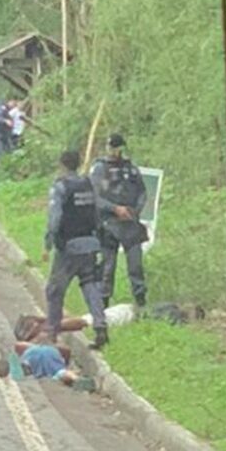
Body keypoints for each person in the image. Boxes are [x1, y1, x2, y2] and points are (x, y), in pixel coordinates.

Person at [43, 151, 108, 350]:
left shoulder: (61, 187)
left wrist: (49, 242)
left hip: (69, 246)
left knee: (55, 290)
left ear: (62, 165)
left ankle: (52, 332)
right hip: (90, 243)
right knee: (90, 285)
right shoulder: (88, 185)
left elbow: (55, 218)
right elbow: (97, 213)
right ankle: (100, 326)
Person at [90, 133, 149, 308]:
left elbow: (142, 192)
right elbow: (95, 197)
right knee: (107, 267)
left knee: (136, 266)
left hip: (130, 222)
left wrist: (135, 210)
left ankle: (140, 302)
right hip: (108, 223)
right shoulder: (100, 168)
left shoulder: (131, 168)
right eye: (112, 148)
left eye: (118, 148)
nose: (115, 152)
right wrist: (115, 209)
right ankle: (103, 304)